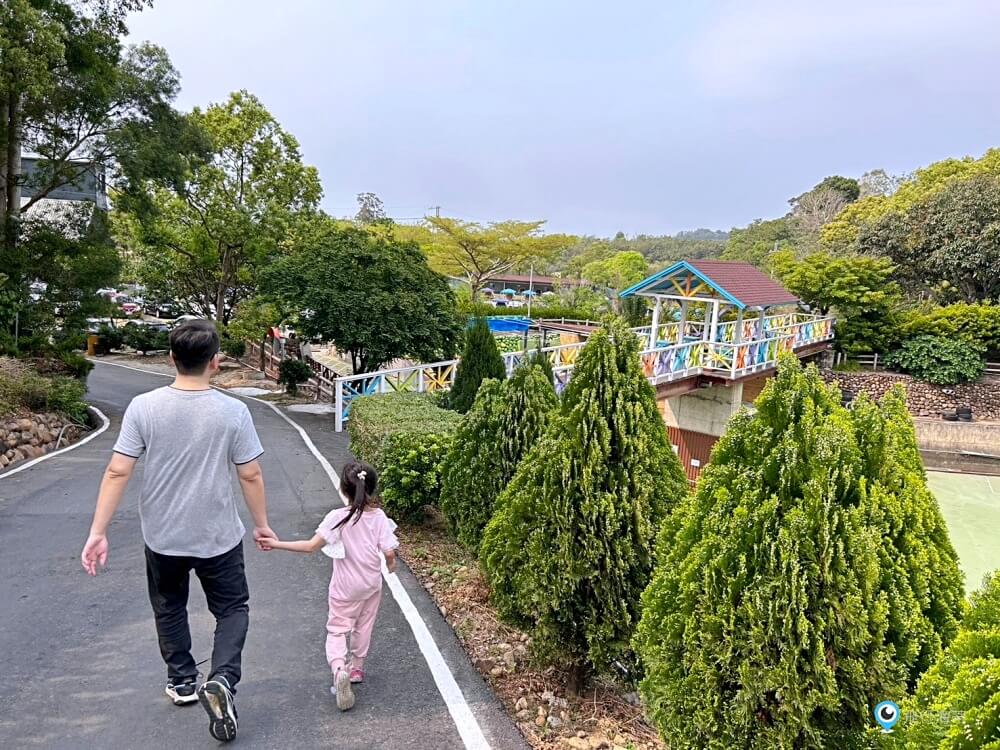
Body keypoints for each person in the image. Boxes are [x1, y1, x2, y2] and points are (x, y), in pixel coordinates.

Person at [81, 319, 275, 743]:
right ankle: (222, 678)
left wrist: (98, 531)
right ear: (216, 362)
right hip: (218, 536)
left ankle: (184, 681)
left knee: (169, 605)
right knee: (231, 609)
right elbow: (251, 473)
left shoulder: (144, 407)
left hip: (163, 536)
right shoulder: (233, 411)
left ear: (171, 358)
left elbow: (118, 470)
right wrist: (261, 525)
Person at [261, 461, 398, 711]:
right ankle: (356, 668)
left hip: (345, 588)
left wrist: (277, 544)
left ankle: (338, 670)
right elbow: (389, 551)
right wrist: (391, 566)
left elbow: (310, 546)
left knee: (337, 629)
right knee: (364, 625)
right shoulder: (378, 517)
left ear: (345, 489)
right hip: (371, 584)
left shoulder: (338, 518)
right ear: (373, 488)